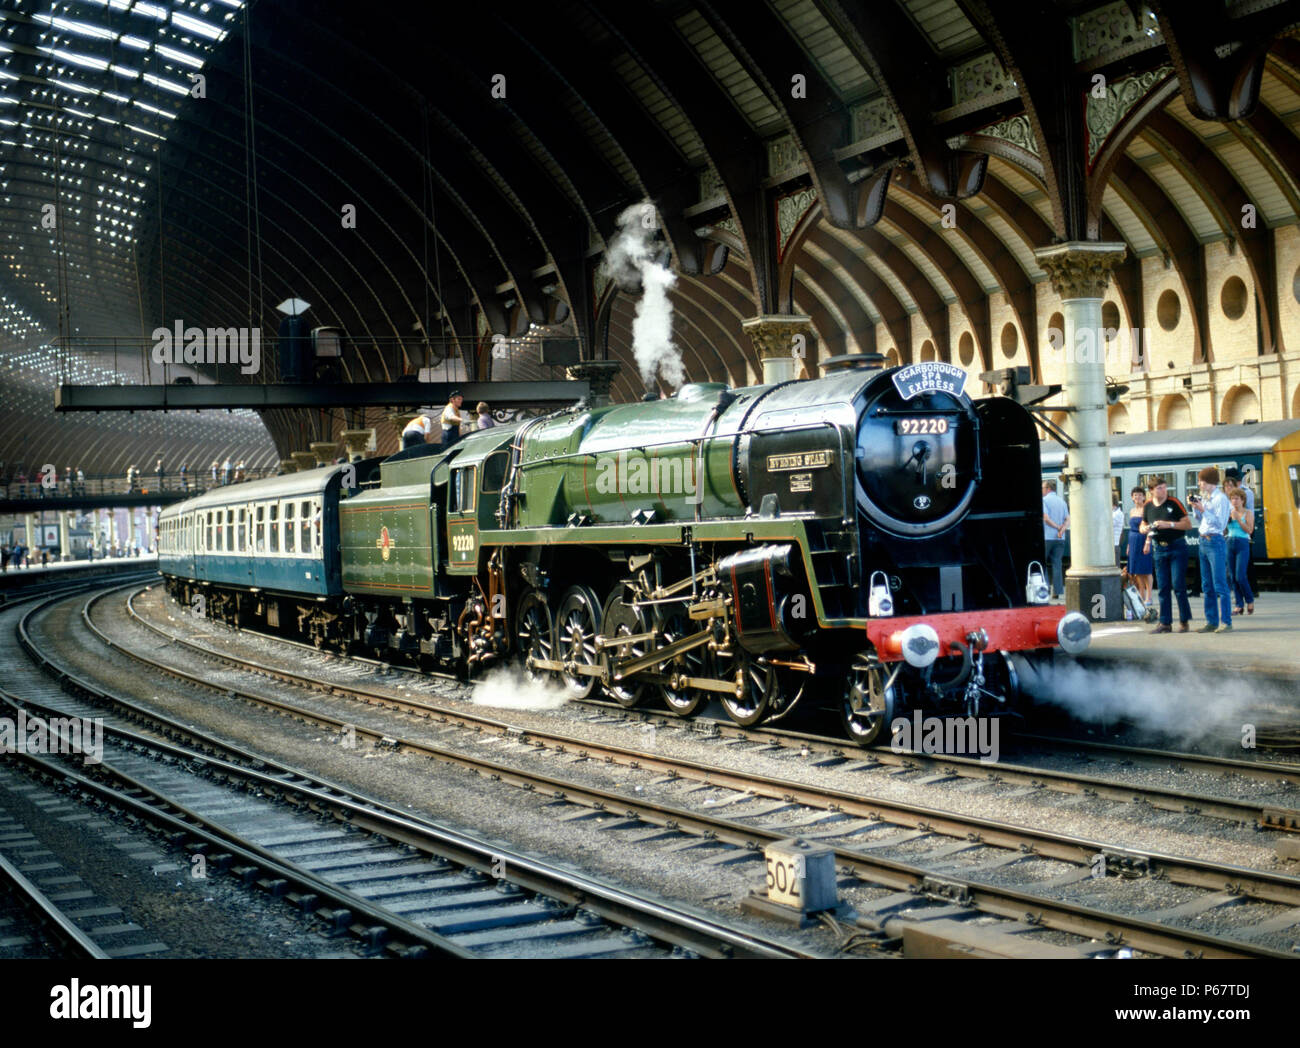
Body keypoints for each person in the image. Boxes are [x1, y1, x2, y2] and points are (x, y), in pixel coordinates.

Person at [1140, 478, 1192, 633]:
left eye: (1164, 488)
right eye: (1159, 488)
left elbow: (1188, 524)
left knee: (1178, 585)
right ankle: (1165, 623)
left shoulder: (1174, 503)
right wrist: (1145, 530)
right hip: (1159, 548)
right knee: (1162, 587)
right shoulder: (1148, 505)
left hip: (1177, 546)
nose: (1163, 491)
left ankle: (1184, 620)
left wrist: (1169, 524)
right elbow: (1143, 524)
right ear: (1151, 491)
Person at [1189, 466, 1232, 633]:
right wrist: (1196, 507)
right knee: (1207, 585)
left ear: (1209, 482)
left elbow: (1220, 524)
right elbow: (1201, 520)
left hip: (1215, 541)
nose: (1199, 483)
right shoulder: (1206, 497)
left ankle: (1226, 622)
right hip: (1203, 540)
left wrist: (1203, 509)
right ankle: (1211, 621)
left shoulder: (1221, 499)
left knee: (1220, 584)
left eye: (1201, 480)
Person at [1226, 487, 1254, 616]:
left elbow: (1249, 530)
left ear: (1242, 500)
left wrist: (1238, 519)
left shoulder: (1248, 513)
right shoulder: (1229, 512)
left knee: (1240, 576)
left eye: (1237, 499)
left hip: (1242, 543)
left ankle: (1249, 600)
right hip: (1230, 542)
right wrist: (1227, 521)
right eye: (1232, 499)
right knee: (1232, 576)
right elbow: (1224, 531)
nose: (1234, 501)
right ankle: (1238, 604)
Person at [1041, 480, 1069, 602]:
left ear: (1047, 488)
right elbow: (1068, 519)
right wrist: (1062, 530)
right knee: (1057, 564)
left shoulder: (1044, 501)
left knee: (1043, 563)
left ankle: (1046, 588)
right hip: (1060, 538)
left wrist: (1057, 527)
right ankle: (1057, 591)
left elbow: (1045, 518)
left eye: (1042, 488)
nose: (1041, 490)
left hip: (1047, 537)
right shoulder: (1062, 501)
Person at [1126, 486, 1153, 606]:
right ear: (1132, 497)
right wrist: (1128, 545)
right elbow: (1131, 529)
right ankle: (1141, 594)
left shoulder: (1146, 510)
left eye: (1140, 495)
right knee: (1137, 571)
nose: (1137, 497)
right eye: (1135, 495)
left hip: (1143, 540)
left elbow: (1150, 527)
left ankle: (1149, 596)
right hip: (1133, 541)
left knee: (1146, 570)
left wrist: (1148, 542)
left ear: (1144, 496)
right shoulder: (1132, 511)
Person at [1112, 498, 1126, 568]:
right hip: (1114, 545)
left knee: (1114, 569)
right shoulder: (1115, 513)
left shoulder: (1116, 514)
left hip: (1113, 545)